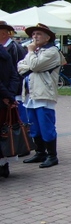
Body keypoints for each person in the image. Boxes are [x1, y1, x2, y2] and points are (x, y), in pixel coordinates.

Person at [17, 23, 66, 169]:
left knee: (46, 126)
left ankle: (52, 155)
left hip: (44, 94)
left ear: (47, 37)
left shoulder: (52, 52)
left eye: (38, 34)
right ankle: (40, 152)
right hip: (31, 94)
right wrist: (32, 62)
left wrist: (30, 54)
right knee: (34, 126)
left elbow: (34, 66)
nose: (34, 37)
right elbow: (20, 66)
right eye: (33, 34)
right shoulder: (36, 52)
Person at [0, 34, 22, 178]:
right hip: (5, 99)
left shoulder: (6, 52)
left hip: (4, 99)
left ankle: (3, 165)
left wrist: (7, 96)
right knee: (4, 132)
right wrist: (10, 95)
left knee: (4, 132)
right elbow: (15, 76)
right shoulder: (4, 52)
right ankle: (4, 165)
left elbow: (14, 75)